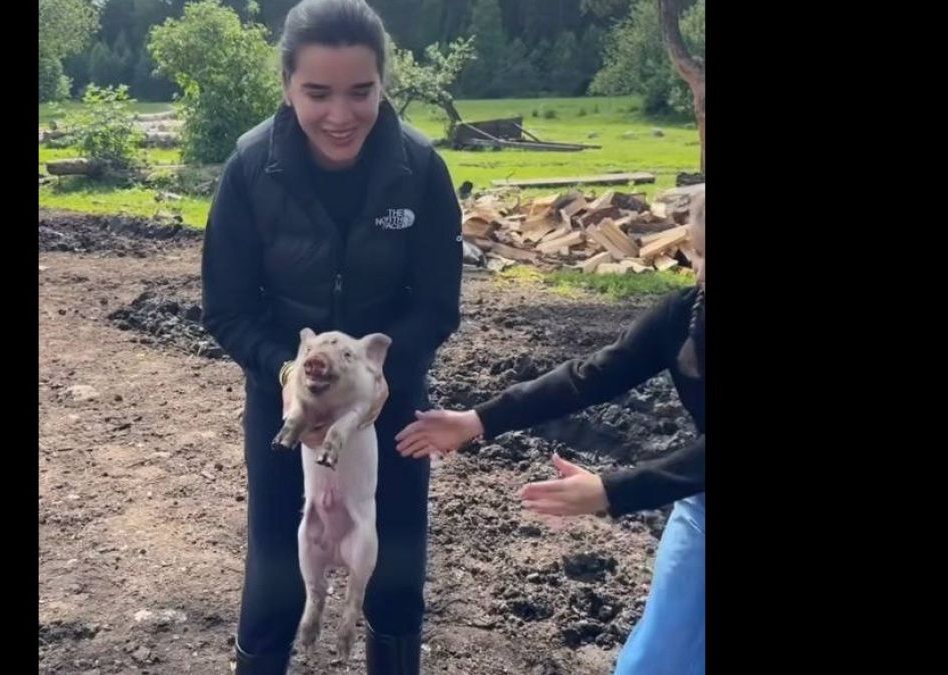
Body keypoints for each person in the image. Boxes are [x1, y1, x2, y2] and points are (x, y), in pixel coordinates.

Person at [199, 0, 462, 672]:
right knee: (277, 576)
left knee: (395, 575)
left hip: (391, 404)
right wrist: (283, 372)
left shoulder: (422, 171)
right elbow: (228, 308)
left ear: (383, 84)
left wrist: (379, 380)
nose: (340, 115)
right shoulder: (251, 169)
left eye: (360, 92)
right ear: (287, 85)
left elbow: (436, 306)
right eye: (317, 92)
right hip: (285, 400)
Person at [396, 189, 707, 675]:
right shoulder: (685, 313)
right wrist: (479, 420)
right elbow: (593, 374)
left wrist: (610, 489)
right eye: (703, 254)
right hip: (702, 508)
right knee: (654, 662)